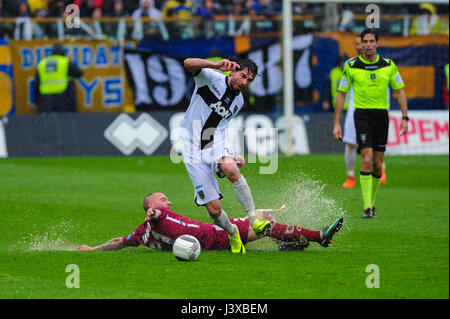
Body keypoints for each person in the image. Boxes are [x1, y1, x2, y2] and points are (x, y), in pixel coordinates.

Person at [180, 57, 270, 254]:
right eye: (243, 76)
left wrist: (229, 156)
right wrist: (215, 65)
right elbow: (187, 63)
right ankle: (233, 232)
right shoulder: (210, 77)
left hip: (214, 141)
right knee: (214, 211)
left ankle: (255, 220)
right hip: (191, 147)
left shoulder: (238, 101)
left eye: (249, 80)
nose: (244, 82)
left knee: (230, 168)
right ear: (233, 72)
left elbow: (220, 127)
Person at [74, 192, 344, 252]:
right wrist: (154, 213)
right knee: (265, 224)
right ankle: (320, 236)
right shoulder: (158, 217)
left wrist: (93, 249)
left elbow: (120, 242)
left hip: (210, 235)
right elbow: (156, 215)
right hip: (215, 235)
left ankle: (290, 245)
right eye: (163, 200)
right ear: (152, 207)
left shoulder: (142, 233)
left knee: (264, 218)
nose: (168, 202)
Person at [333, 28, 409, 218]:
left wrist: (405, 117)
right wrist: (337, 123)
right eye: (364, 41)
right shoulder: (351, 66)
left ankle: (372, 202)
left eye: (371, 41)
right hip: (362, 116)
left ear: (377, 43)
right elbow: (341, 94)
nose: (367, 45)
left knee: (377, 163)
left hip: (381, 117)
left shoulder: (388, 65)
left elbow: (400, 91)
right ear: (361, 43)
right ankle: (367, 206)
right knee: (366, 159)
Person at [340, 35, 387, 189]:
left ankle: (380, 169)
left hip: (375, 109)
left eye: (362, 42)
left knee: (374, 144)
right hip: (354, 108)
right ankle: (350, 176)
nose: (360, 46)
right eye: (357, 44)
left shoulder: (381, 64)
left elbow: (385, 89)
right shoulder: (350, 64)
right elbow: (343, 90)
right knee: (350, 143)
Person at [34, 43, 83, 113]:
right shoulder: (65, 62)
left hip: (45, 99)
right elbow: (79, 73)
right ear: (63, 52)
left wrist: (37, 101)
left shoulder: (42, 63)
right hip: (63, 98)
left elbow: (36, 84)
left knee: (47, 122)